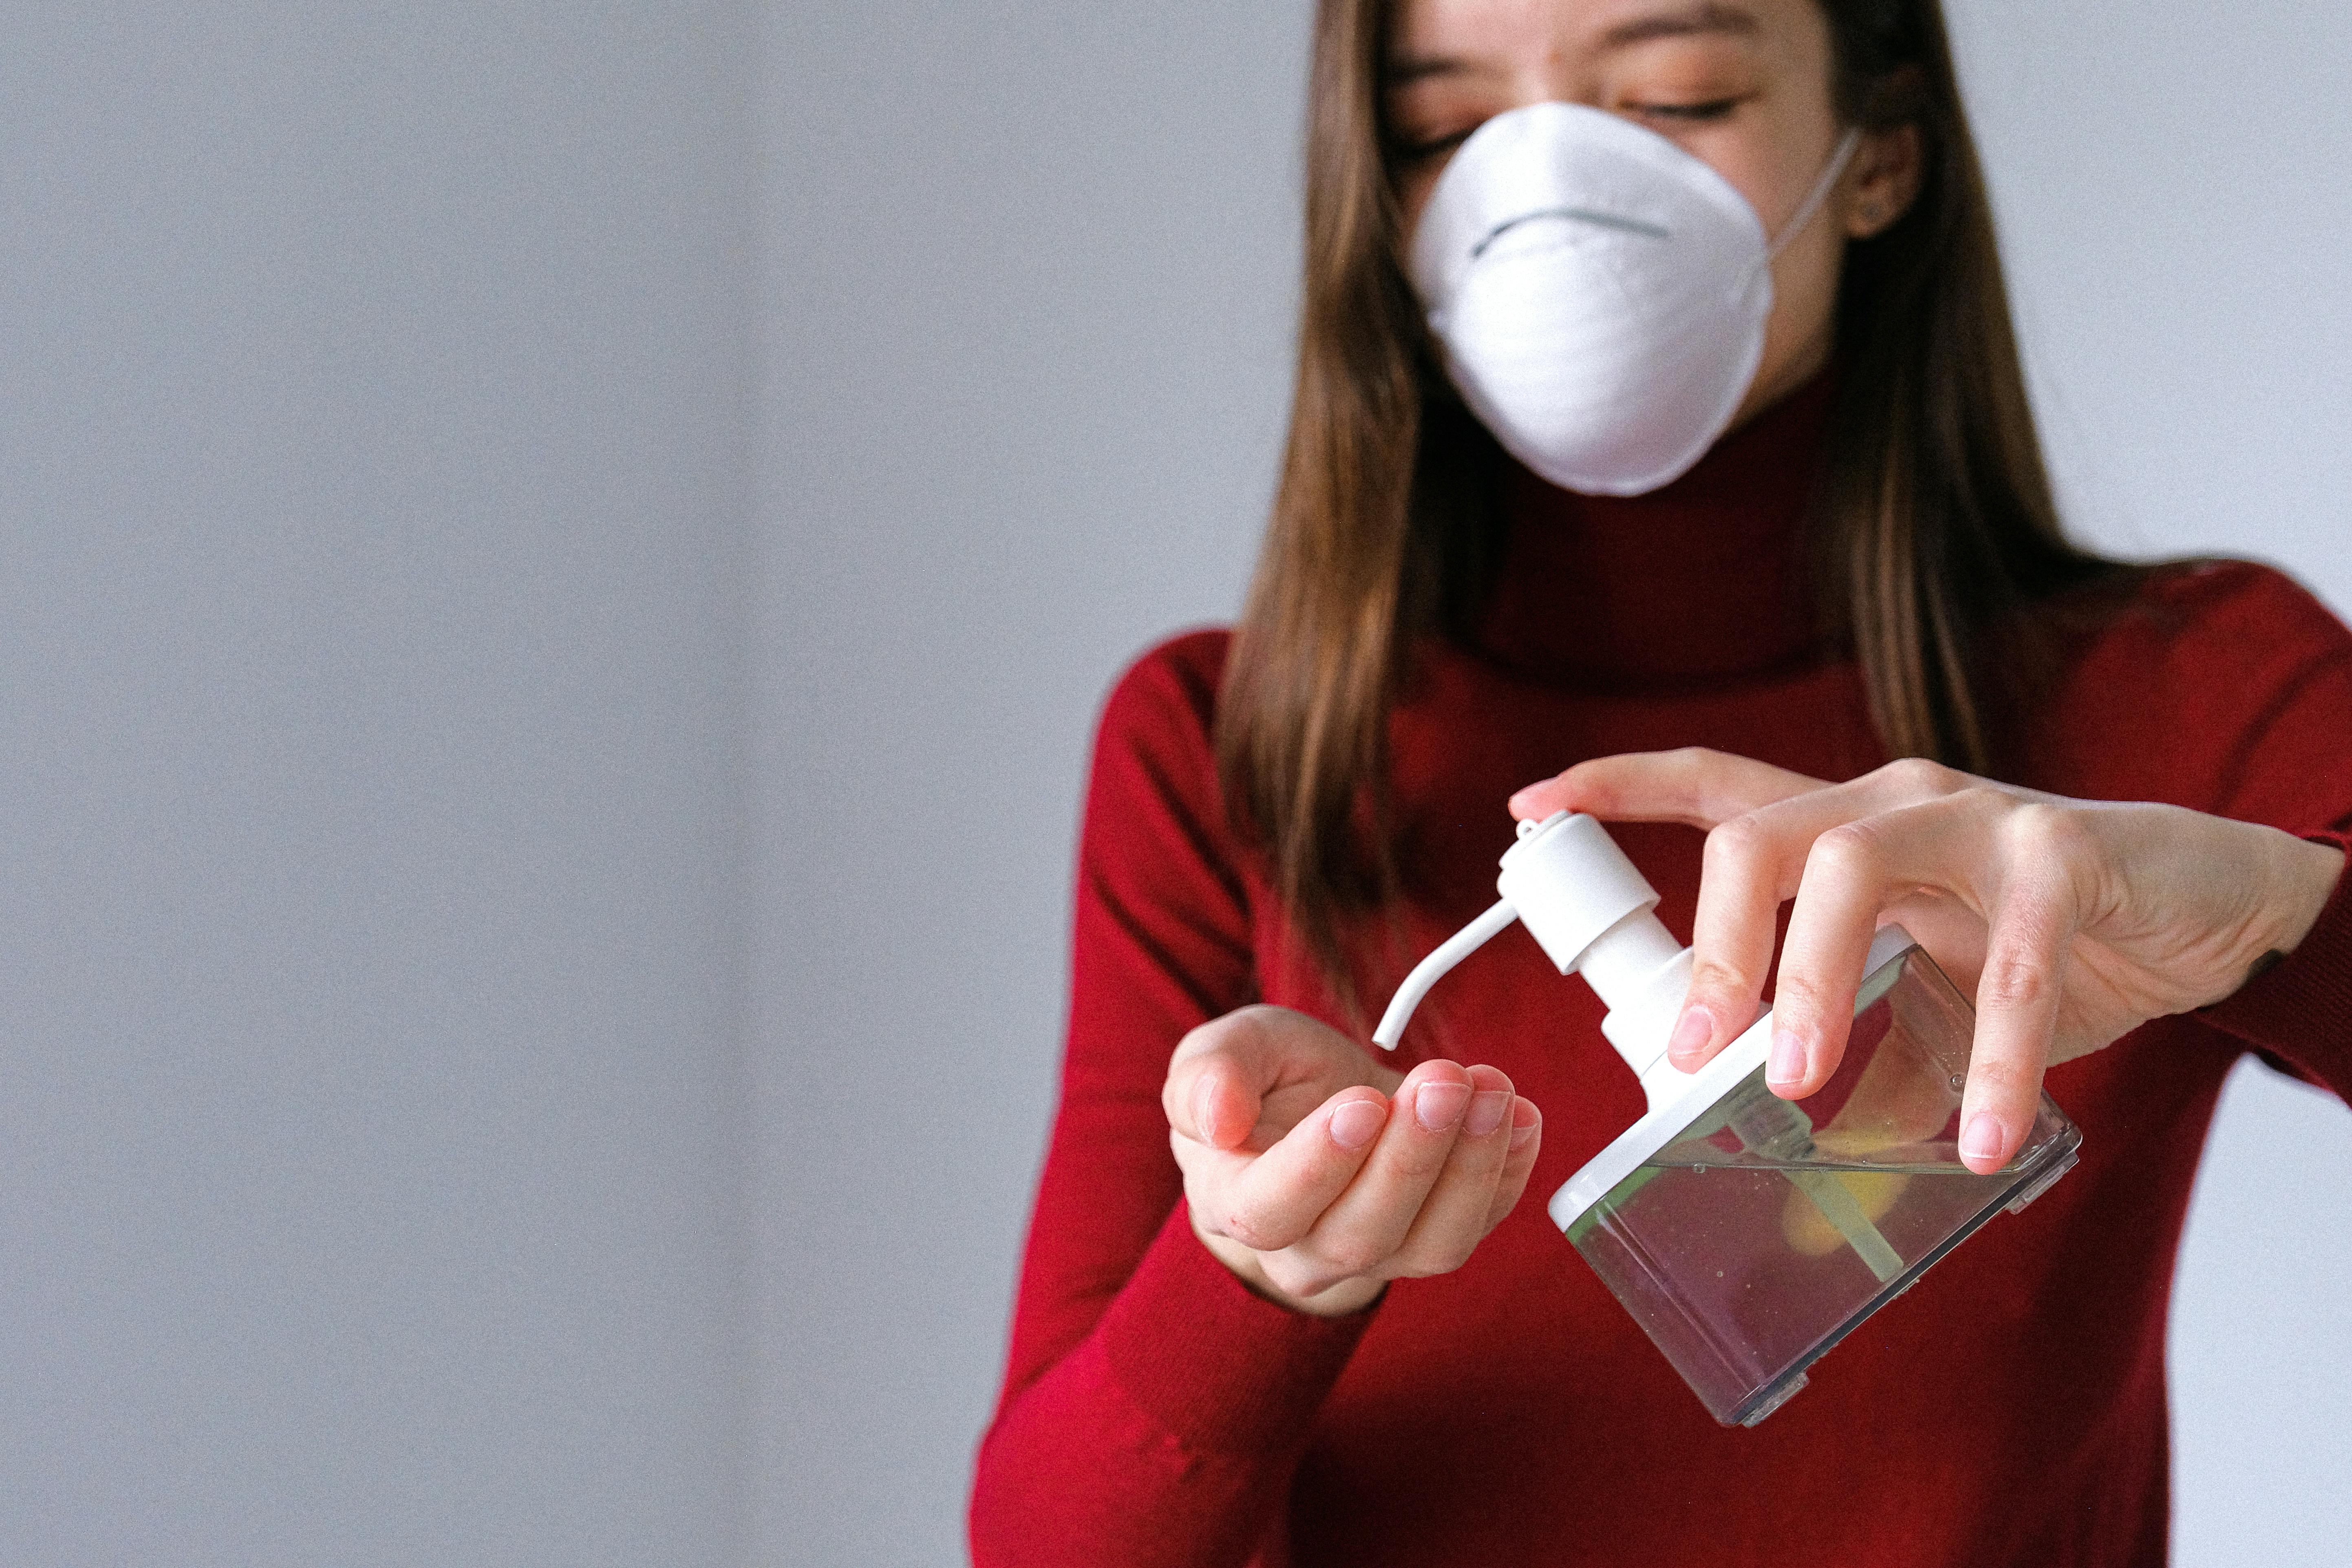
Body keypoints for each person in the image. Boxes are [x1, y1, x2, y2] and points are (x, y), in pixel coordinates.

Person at [969, 1, 2352, 1563]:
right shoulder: (1228, 748)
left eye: (1676, 94)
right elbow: (1044, 1544)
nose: (1546, 192)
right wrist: (1257, 1277)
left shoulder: (2189, 695)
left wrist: (2274, 911)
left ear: (1884, 152)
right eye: (1441, 131)